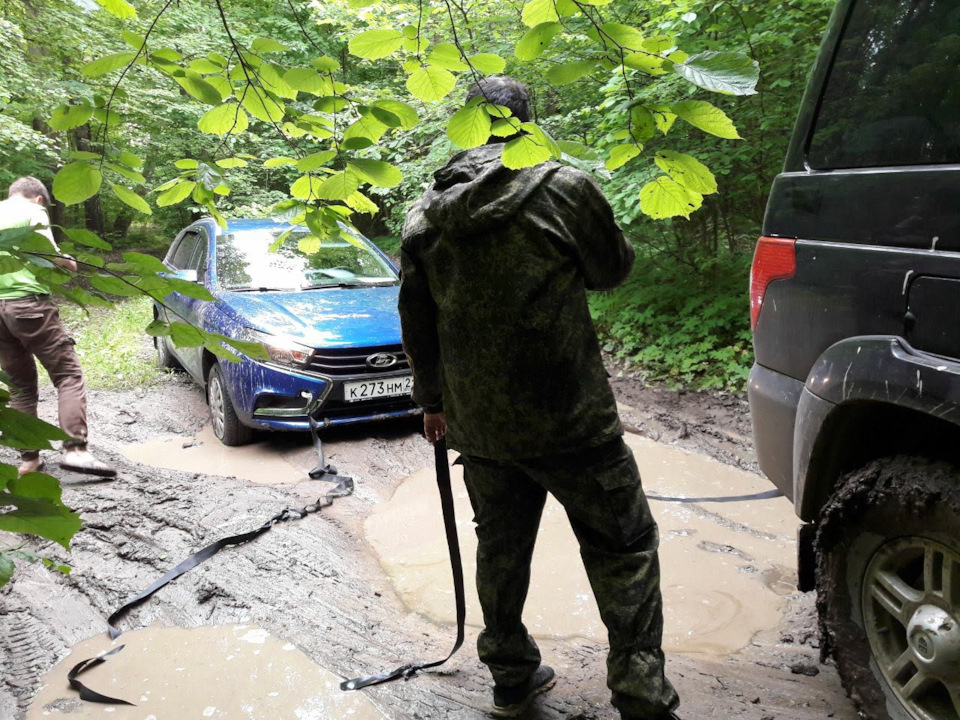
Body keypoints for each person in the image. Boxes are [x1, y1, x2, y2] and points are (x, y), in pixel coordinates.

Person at [398, 77, 680, 720]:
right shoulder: (565, 188)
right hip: (574, 424)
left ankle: (511, 679)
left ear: (467, 126)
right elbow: (611, 272)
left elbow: (416, 319)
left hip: (480, 427)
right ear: (529, 122)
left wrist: (433, 402)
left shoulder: (425, 214)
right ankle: (639, 694)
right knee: (625, 549)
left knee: (499, 547)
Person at [0, 176, 116, 477]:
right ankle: (75, 450)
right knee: (67, 375)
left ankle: (29, 461)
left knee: (20, 388)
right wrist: (69, 262)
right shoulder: (33, 212)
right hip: (29, 306)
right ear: (39, 198)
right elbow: (47, 255)